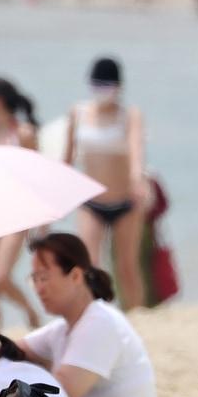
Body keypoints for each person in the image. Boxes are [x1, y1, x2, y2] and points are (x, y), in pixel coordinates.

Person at [17, 233, 157, 397]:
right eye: (34, 279)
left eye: (44, 278)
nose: (39, 289)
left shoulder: (100, 322)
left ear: (75, 276)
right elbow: (12, 350)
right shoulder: (64, 328)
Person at [62, 57, 146, 309]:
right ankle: (96, 317)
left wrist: (137, 180)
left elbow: (136, 152)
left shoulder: (129, 115)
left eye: (106, 86)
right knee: (89, 268)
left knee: (126, 267)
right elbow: (67, 158)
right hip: (91, 202)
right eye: (97, 85)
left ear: (118, 87)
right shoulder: (78, 112)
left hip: (125, 202)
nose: (101, 91)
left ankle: (137, 317)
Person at [0, 77, 43, 328]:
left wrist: (39, 220)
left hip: (15, 215)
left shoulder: (23, 134)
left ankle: (31, 313)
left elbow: (37, 176)